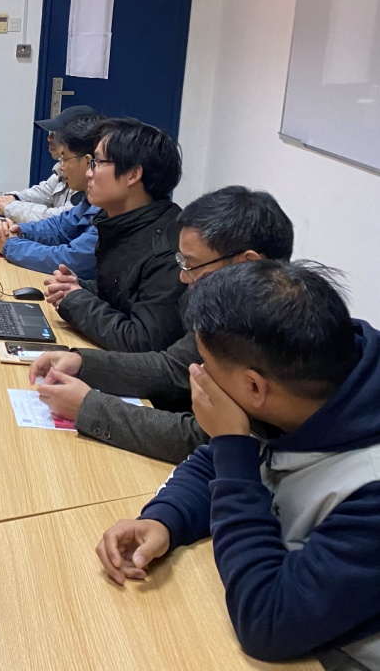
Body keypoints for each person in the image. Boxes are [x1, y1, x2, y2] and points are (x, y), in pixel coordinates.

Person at [96, 261, 380, 669]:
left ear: (253, 387)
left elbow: (268, 623)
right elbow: (217, 463)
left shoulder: (370, 488)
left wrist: (230, 442)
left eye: (204, 365)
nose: (197, 373)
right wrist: (165, 518)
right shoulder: (312, 381)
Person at [28, 186, 294, 464]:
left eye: (192, 265)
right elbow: (173, 367)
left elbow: (204, 438)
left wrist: (88, 407)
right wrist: (82, 363)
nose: (182, 277)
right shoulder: (229, 307)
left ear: (247, 263)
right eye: (182, 262)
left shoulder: (274, 333)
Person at [43, 118, 185, 352]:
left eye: (97, 162)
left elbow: (143, 342)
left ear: (132, 175)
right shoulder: (120, 222)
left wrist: (76, 300)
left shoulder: (167, 249)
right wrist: (78, 287)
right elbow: (122, 298)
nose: (89, 173)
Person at [0, 116, 103, 278]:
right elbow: (60, 226)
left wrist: (11, 245)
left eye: (100, 163)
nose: (61, 166)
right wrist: (20, 231)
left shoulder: (112, 207)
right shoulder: (94, 200)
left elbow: (73, 260)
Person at [0, 105, 98, 224]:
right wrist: (15, 198)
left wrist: (11, 208)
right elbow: (45, 191)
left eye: (58, 133)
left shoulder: (92, 184)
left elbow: (62, 220)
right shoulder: (64, 167)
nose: (49, 138)